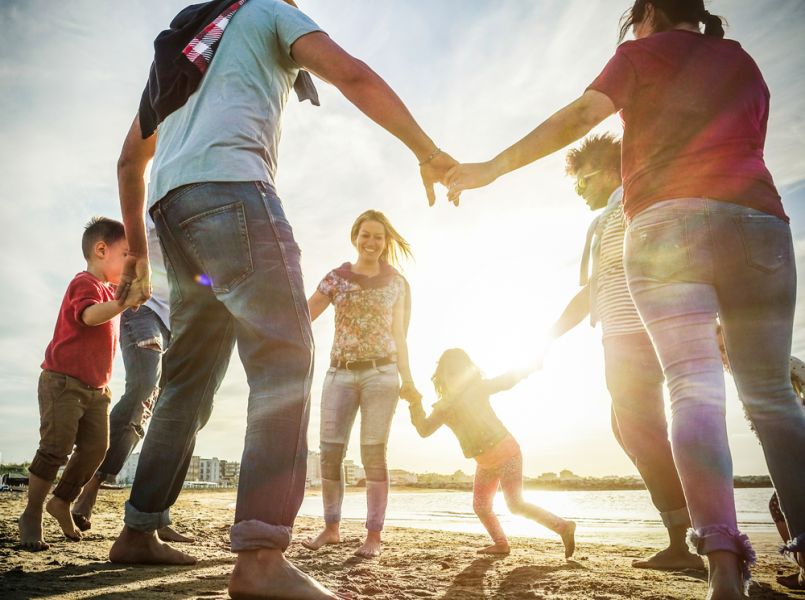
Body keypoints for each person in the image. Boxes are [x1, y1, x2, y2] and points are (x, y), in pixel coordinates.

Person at [446, 1, 805, 596]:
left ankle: (722, 567)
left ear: (652, 13)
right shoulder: (744, 63)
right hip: (758, 223)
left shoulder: (640, 54)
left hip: (666, 222)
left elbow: (582, 116)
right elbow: (747, 145)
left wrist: (488, 169)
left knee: (692, 389)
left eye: (634, 20)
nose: (633, 31)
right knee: (771, 397)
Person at [112, 0, 455, 597]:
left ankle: (139, 530)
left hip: (174, 213)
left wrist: (140, 253)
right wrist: (428, 151)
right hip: (235, 196)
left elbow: (129, 161)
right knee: (284, 364)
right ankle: (261, 555)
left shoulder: (187, 49)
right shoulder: (270, 10)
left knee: (187, 380)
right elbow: (350, 73)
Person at [547, 133, 701, 570]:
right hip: (620, 336)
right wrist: (547, 338)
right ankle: (691, 529)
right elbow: (592, 291)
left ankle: (688, 539)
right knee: (628, 430)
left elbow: (668, 263)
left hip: (638, 335)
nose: (579, 193)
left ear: (606, 171)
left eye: (582, 182)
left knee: (641, 432)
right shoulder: (609, 219)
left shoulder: (628, 211)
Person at [302, 210, 418, 558]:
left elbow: (400, 335)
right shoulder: (335, 279)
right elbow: (304, 316)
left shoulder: (397, 283)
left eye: (378, 237)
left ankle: (373, 536)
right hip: (340, 372)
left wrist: (408, 380)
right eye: (365, 235)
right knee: (330, 453)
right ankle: (332, 528)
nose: (371, 242)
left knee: (373, 453)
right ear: (355, 237)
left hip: (382, 375)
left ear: (386, 242)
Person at [71, 215, 192, 544]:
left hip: (181, 322)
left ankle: (157, 514)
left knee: (177, 409)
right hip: (143, 311)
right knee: (143, 388)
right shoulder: (152, 223)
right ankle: (89, 486)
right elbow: (120, 257)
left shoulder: (205, 227)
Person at [19, 217, 134, 551]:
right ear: (101, 250)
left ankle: (61, 501)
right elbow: (88, 316)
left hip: (98, 390)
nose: (130, 262)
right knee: (55, 447)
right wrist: (123, 302)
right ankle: (32, 512)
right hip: (63, 383)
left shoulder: (111, 292)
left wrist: (129, 297)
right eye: (126, 254)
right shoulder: (84, 283)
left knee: (96, 448)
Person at [405, 348, 576, 558]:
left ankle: (564, 527)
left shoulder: (477, 389)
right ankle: (501, 543)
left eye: (460, 372)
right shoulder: (443, 408)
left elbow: (505, 381)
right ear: (441, 377)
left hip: (507, 454)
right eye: (450, 374)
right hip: (484, 463)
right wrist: (414, 402)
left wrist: (529, 366)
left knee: (515, 504)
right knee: (480, 506)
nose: (455, 378)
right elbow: (424, 429)